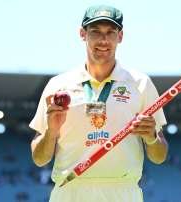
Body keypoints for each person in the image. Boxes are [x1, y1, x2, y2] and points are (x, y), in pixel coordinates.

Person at [29, 5, 169, 202]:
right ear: (82, 34)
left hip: (122, 191)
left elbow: (159, 156)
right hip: (70, 189)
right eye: (96, 32)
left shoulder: (140, 84)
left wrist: (152, 137)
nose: (103, 40)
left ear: (120, 36)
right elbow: (39, 158)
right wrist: (51, 132)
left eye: (110, 33)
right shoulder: (59, 85)